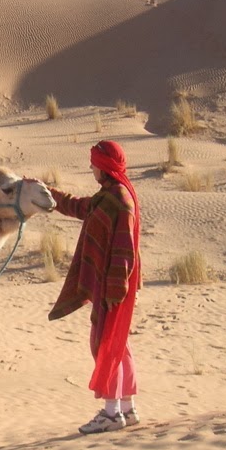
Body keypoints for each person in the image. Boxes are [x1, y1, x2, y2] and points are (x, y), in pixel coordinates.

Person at [48, 140, 142, 434]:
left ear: (104, 167)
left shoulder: (120, 201)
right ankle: (126, 408)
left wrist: (115, 290)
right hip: (108, 284)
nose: (91, 169)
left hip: (113, 287)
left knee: (106, 344)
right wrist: (48, 195)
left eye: (94, 164)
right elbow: (80, 207)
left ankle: (112, 414)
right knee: (116, 343)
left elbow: (125, 250)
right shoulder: (108, 197)